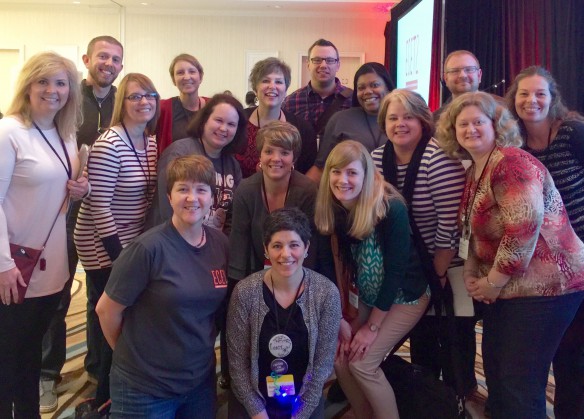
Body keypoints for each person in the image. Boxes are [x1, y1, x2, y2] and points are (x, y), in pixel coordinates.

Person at [436, 91, 584, 419]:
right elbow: (471, 232)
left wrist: (492, 281)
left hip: (547, 287)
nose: (470, 129)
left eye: (478, 122)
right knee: (500, 379)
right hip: (510, 289)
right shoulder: (478, 169)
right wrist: (474, 274)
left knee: (519, 387)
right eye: (463, 124)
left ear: (496, 125)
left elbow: (523, 229)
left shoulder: (512, 162)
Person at [96, 155, 228, 418]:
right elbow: (106, 311)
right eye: (182, 189)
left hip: (199, 381)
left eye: (201, 190)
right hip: (145, 388)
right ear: (169, 197)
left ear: (211, 198)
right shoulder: (147, 249)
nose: (192, 198)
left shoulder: (220, 244)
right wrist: (133, 358)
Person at [370, 89, 476, 396]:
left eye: (407, 117)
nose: (400, 124)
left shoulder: (438, 158)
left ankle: (458, 398)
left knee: (454, 339)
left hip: (444, 266)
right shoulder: (377, 159)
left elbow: (450, 225)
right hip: (409, 267)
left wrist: (437, 274)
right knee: (423, 341)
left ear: (422, 121)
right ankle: (429, 397)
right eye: (392, 118)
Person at [0, 51, 88, 417]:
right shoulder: (9, 131)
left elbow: (55, 193)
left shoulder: (64, 133)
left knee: (31, 350)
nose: (52, 90)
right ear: (28, 85)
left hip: (49, 265)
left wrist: (78, 191)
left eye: (61, 83)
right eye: (43, 81)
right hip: (14, 266)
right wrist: (3, 264)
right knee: (8, 355)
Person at [314, 140, 429, 419]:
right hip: (366, 294)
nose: (343, 180)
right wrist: (341, 319)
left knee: (363, 364)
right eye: (336, 172)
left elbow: (396, 272)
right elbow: (332, 267)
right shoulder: (336, 207)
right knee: (341, 358)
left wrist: (372, 328)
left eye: (352, 173)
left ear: (366, 174)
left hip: (404, 296)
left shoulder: (390, 207)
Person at [40, 35, 124, 413]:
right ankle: (46, 373)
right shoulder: (69, 96)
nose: (108, 63)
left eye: (115, 59)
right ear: (88, 59)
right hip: (63, 210)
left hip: (102, 215)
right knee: (57, 295)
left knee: (98, 294)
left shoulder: (123, 99)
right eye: (102, 56)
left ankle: (94, 367)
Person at [74, 73, 159, 416]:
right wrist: (119, 259)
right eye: (135, 97)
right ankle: (105, 397)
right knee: (111, 314)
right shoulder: (111, 143)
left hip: (130, 239)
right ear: (122, 102)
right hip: (101, 241)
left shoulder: (149, 141)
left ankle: (108, 382)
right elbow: (98, 206)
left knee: (119, 314)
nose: (144, 102)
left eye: (149, 96)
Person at [506, 65, 584, 419]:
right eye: (524, 94)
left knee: (576, 354)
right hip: (544, 268)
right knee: (555, 348)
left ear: (553, 99)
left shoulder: (572, 132)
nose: (531, 101)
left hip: (581, 258)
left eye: (540, 94)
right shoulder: (513, 142)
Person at [227, 207, 341, 419]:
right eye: (277, 245)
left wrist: (299, 415)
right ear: (266, 249)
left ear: (306, 248)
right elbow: (237, 365)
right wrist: (258, 413)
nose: (285, 254)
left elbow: (322, 368)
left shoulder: (326, 294)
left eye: (294, 245)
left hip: (305, 403)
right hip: (252, 402)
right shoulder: (245, 292)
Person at [147, 93, 246, 233]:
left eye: (231, 124)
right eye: (218, 120)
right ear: (204, 120)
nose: (224, 128)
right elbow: (166, 209)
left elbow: (233, 214)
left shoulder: (232, 165)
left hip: (210, 246)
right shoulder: (179, 153)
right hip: (172, 243)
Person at [306, 62, 394, 183]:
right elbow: (321, 169)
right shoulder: (340, 120)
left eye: (374, 85)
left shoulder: (402, 121)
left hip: (394, 196)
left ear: (388, 88)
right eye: (361, 88)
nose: (368, 91)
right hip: (349, 196)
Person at [235, 57, 317, 178]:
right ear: (255, 88)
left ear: (286, 89)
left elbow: (306, 171)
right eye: (265, 81)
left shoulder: (302, 129)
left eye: (278, 82)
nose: (272, 86)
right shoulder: (237, 121)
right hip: (241, 194)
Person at [282, 39, 352, 141]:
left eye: (330, 60)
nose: (323, 65)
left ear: (338, 65)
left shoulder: (352, 100)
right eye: (317, 60)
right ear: (308, 64)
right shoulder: (290, 102)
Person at [156, 53, 209, 156]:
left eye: (192, 71)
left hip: (210, 171)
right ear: (173, 80)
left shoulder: (213, 106)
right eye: (180, 73)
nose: (186, 77)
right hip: (172, 170)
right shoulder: (163, 108)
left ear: (200, 77)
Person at [434, 50, 482, 121]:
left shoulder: (499, 111)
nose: (462, 75)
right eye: (455, 71)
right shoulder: (435, 120)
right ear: (446, 78)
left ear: (479, 75)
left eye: (469, 69)